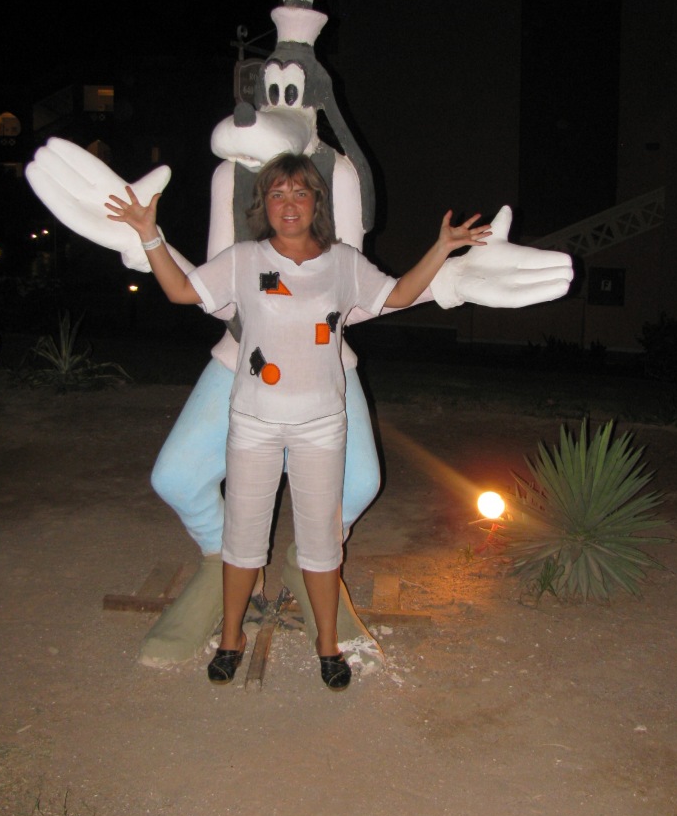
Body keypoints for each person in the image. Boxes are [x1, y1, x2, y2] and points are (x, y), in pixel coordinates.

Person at [106, 152, 492, 691]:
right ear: (264, 204)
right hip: (253, 423)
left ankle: (327, 645)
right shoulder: (245, 258)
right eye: (277, 194)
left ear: (316, 202)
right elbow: (181, 291)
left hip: (321, 426)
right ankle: (231, 638)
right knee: (242, 539)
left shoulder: (343, 262)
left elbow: (398, 294)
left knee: (321, 542)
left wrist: (443, 247)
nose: (289, 204)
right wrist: (150, 235)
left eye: (300, 192)